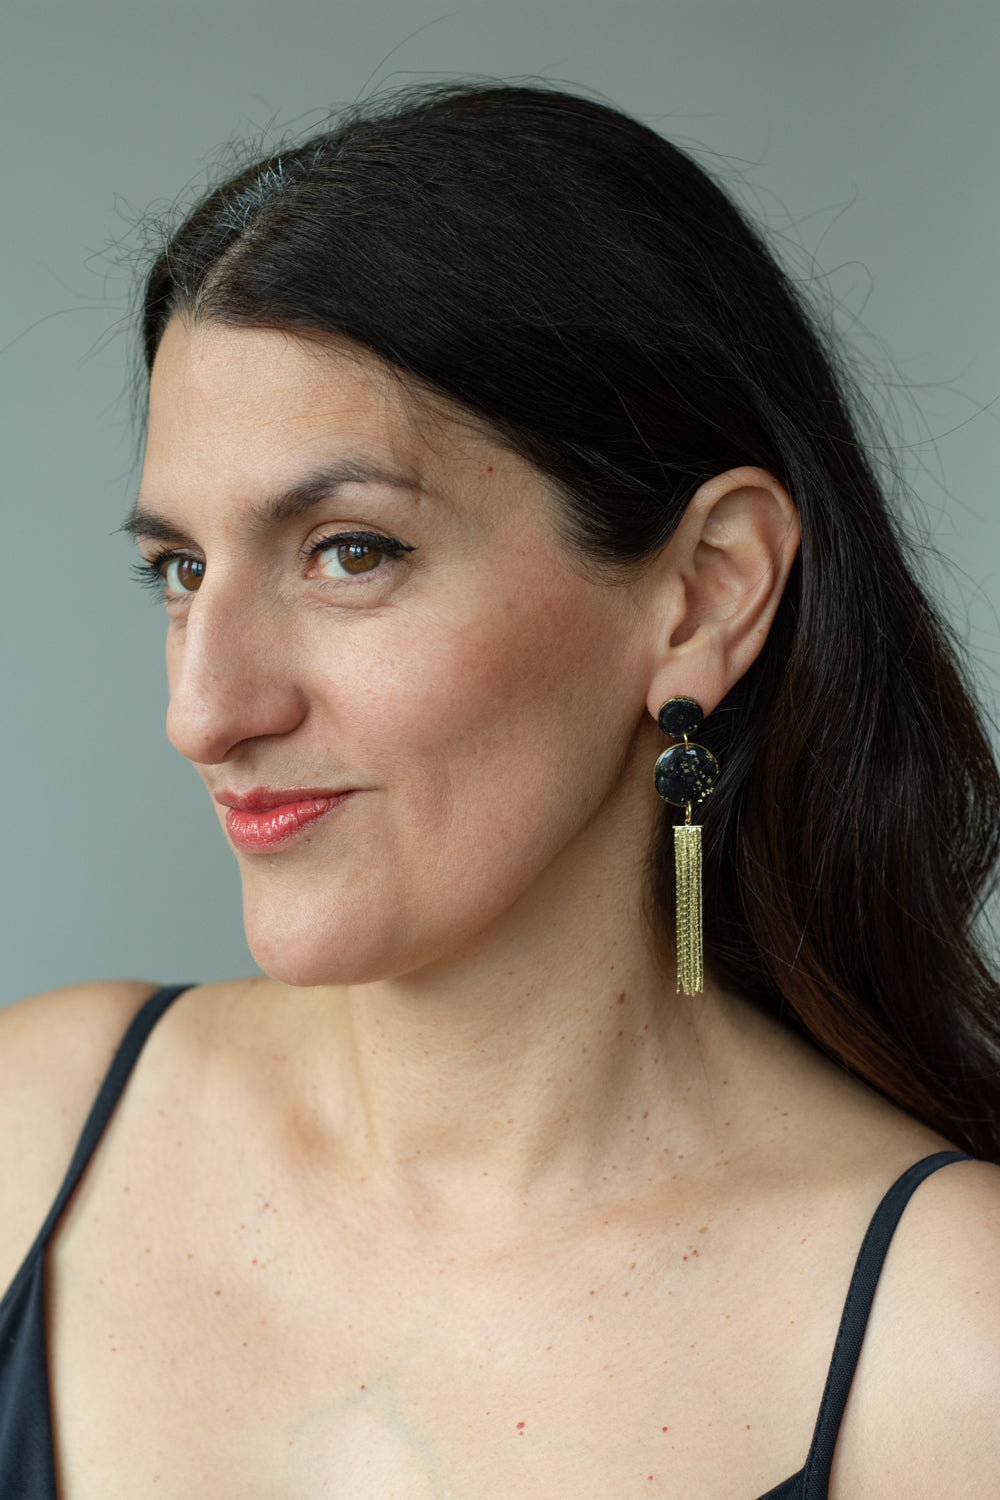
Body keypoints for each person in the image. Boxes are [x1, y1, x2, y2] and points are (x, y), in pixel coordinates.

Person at [1, 80, 998, 1499]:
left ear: (704, 595)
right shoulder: (29, 1136)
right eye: (182, 570)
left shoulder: (955, 1345)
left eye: (350, 552)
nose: (203, 712)